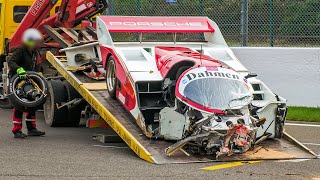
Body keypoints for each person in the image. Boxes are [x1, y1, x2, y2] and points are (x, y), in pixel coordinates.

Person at [8, 28, 46, 138]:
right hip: (18, 80)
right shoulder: (21, 50)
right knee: (20, 105)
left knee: (33, 103)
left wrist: (39, 73)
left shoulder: (34, 51)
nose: (39, 44)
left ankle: (32, 129)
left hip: (30, 80)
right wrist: (19, 70)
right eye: (38, 41)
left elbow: (36, 65)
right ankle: (17, 130)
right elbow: (11, 62)